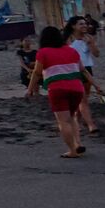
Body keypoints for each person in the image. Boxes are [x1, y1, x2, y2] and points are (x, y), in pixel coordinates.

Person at [31, 23, 92, 156]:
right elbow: (82, 70)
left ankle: (72, 151)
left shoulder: (43, 52)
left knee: (63, 121)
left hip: (57, 88)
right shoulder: (71, 50)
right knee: (72, 117)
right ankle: (78, 143)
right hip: (76, 87)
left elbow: (37, 72)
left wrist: (30, 89)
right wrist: (96, 85)